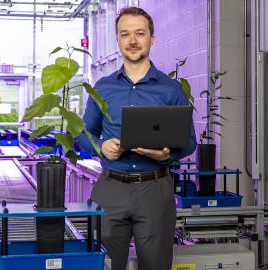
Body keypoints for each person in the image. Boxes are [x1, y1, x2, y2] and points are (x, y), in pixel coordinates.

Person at [78, 6, 197, 270]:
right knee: (104, 266)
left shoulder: (171, 89)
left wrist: (168, 155)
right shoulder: (103, 87)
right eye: (125, 34)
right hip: (111, 189)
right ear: (119, 40)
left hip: (155, 191)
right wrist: (101, 147)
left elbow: (190, 141)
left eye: (140, 33)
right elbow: (83, 134)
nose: (132, 41)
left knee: (155, 266)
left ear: (151, 38)